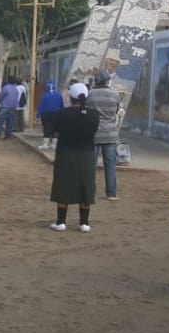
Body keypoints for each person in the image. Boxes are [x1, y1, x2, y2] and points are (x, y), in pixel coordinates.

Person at [49, 82, 100, 232]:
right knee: (85, 186)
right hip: (87, 155)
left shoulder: (62, 114)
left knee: (63, 185)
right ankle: (84, 223)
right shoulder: (94, 115)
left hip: (65, 153)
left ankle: (61, 222)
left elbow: (54, 132)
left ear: (71, 98)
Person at [87, 70, 122, 201]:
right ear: (108, 81)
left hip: (93, 133)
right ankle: (111, 193)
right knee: (110, 165)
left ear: (96, 81)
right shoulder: (115, 94)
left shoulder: (90, 94)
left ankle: (89, 192)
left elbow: (87, 111)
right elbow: (116, 111)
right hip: (110, 134)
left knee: (91, 165)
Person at [36, 80, 64, 150]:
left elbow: (41, 106)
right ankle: (54, 145)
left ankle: (45, 144)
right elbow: (62, 106)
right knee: (56, 129)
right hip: (57, 115)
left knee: (46, 129)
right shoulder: (59, 95)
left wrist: (38, 116)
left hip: (46, 115)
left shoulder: (44, 96)